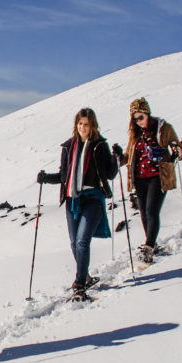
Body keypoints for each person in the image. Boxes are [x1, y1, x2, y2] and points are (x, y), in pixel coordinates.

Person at [38, 108, 118, 300]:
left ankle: (80, 283)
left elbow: (110, 174)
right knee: (74, 243)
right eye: (80, 124)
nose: (83, 127)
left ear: (93, 126)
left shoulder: (100, 146)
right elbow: (64, 175)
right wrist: (46, 178)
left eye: (86, 124)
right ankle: (86, 277)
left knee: (82, 241)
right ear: (76, 125)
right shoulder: (68, 147)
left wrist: (116, 157)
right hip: (72, 199)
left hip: (93, 198)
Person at [113, 97, 182, 264]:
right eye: (135, 119)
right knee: (144, 212)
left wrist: (176, 150)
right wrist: (116, 157)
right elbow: (129, 156)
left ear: (147, 114)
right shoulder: (135, 134)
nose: (138, 122)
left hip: (158, 176)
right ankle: (151, 243)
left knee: (151, 210)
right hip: (139, 178)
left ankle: (149, 246)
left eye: (141, 117)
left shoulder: (163, 128)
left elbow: (177, 146)